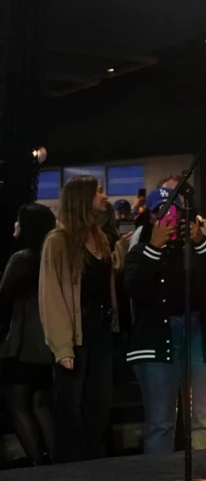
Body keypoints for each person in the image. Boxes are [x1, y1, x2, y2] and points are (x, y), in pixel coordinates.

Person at [124, 188, 206, 454]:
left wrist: (199, 240)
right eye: (160, 210)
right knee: (160, 423)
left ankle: (205, 471)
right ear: (150, 216)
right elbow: (134, 289)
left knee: (203, 420)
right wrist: (154, 247)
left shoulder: (200, 244)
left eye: (173, 210)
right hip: (159, 339)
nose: (168, 215)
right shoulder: (139, 250)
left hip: (200, 333)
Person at [39, 175, 125, 463]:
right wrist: (63, 347)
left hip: (100, 329)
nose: (105, 195)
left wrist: (121, 252)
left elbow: (105, 276)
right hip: (76, 332)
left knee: (98, 405)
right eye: (99, 191)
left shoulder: (98, 236)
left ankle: (95, 465)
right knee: (70, 408)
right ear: (82, 198)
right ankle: (70, 469)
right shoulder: (59, 241)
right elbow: (51, 296)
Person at [1, 203, 58, 466]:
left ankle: (38, 463)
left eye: (18, 221)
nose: (15, 226)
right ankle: (56, 461)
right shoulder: (52, 256)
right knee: (40, 404)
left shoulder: (21, 259)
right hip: (47, 344)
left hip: (22, 343)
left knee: (18, 405)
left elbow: (3, 297)